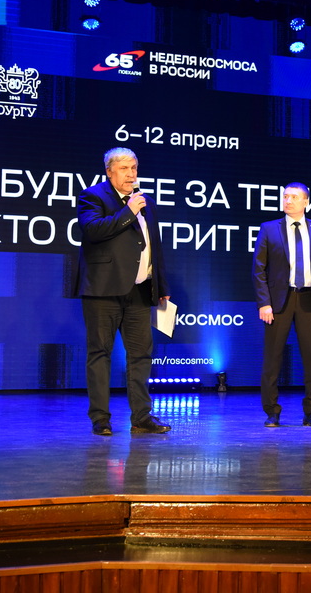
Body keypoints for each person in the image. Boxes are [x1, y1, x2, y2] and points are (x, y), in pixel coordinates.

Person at [76, 147, 172, 436]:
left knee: (141, 355)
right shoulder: (92, 196)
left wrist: (161, 285)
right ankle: (101, 419)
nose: (131, 174)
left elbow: (154, 245)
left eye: (134, 168)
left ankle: (142, 417)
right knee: (100, 353)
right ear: (109, 171)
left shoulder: (145, 201)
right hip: (103, 291)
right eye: (124, 169)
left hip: (139, 291)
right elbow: (94, 230)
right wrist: (128, 212)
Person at [252, 182, 311, 427]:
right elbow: (258, 269)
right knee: (272, 359)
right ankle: (272, 411)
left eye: (293, 197)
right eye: (285, 196)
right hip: (279, 301)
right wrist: (264, 303)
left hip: (310, 300)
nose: (287, 201)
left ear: (306, 202)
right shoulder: (269, 228)